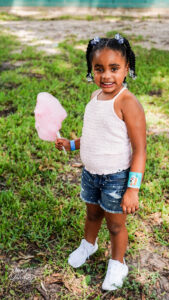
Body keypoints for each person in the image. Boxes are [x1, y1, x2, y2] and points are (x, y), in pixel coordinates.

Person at [55, 33, 146, 291]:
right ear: (91, 71)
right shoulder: (95, 99)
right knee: (92, 213)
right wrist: (71, 145)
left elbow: (140, 151)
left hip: (116, 177)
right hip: (91, 173)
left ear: (127, 69)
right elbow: (94, 136)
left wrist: (133, 188)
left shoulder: (128, 103)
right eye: (99, 69)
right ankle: (89, 244)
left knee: (116, 225)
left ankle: (118, 263)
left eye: (114, 68)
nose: (106, 76)